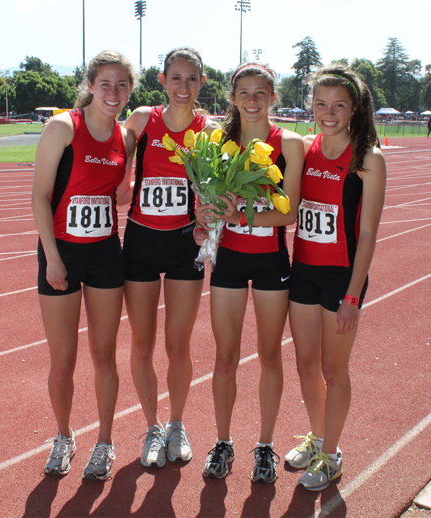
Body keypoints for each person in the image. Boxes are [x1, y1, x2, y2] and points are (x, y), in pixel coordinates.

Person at [196, 62, 304, 483]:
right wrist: (203, 217)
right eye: (245, 92)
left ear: (274, 97)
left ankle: (265, 446)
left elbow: (289, 213)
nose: (253, 100)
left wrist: (240, 210)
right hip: (230, 261)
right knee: (225, 357)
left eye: (262, 92)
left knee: (270, 354)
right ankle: (223, 442)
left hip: (272, 260)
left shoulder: (289, 143)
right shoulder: (215, 142)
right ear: (233, 97)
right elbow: (203, 201)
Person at [32, 50, 136, 480]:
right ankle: (63, 436)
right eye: (106, 83)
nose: (114, 93)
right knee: (63, 359)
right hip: (62, 254)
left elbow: (120, 194)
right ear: (90, 85)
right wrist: (53, 258)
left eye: (122, 85)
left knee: (105, 356)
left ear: (130, 91)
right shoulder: (63, 126)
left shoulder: (124, 136)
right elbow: (40, 196)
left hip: (106, 255)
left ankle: (105, 442)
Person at [285, 64, 386, 491]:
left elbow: (367, 235)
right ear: (312, 105)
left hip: (341, 278)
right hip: (303, 270)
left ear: (354, 108)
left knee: (332, 367)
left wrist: (352, 297)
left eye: (338, 105)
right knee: (306, 363)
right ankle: (319, 437)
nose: (328, 113)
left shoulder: (367, 160)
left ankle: (332, 455)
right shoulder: (305, 149)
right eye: (321, 104)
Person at [122, 47, 221, 468]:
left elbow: (218, 189)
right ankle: (152, 426)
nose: (183, 86)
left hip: (186, 244)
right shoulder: (143, 120)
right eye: (175, 78)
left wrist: (211, 209)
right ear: (162, 81)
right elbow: (114, 165)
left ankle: (178, 423)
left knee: (177, 345)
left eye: (191, 78)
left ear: (201, 83)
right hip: (141, 243)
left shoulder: (210, 130)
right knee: (142, 345)